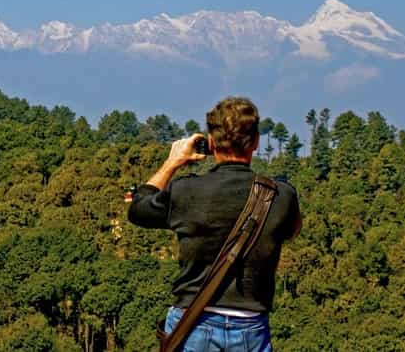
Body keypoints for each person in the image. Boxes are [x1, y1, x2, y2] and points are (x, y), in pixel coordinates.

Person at [128, 96, 301, 351]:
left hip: (192, 322)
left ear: (210, 143)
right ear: (255, 142)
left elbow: (138, 209)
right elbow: (292, 230)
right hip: (250, 325)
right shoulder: (281, 196)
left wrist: (172, 162)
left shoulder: (186, 191)